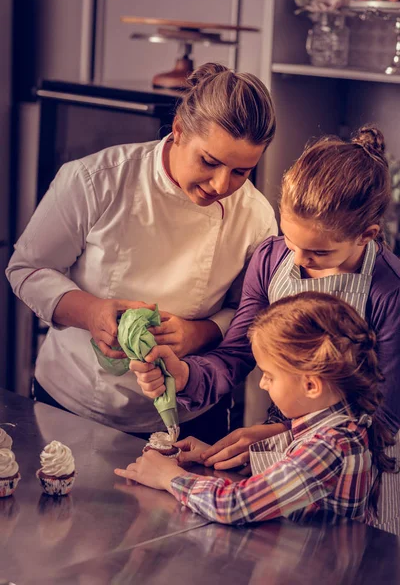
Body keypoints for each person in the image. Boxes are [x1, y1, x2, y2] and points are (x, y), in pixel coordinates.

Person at [132, 125, 400, 533]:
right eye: (290, 240)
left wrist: (280, 434)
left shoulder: (389, 290)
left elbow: (384, 415)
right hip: (295, 441)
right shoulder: (272, 259)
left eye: (319, 252)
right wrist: (185, 373)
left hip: (365, 461)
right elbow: (238, 353)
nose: (298, 259)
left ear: (367, 235)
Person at [5, 62, 277, 442]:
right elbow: (27, 269)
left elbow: (249, 314)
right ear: (179, 129)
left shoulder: (258, 218)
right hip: (73, 405)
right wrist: (92, 313)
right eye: (210, 162)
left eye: (241, 172)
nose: (220, 184)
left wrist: (194, 334)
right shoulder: (95, 179)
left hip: (191, 416)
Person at [115, 292, 397, 526]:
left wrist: (170, 477)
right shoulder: (339, 424)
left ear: (311, 386)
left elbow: (234, 505)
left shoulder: (332, 444)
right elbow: (291, 473)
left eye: (270, 375)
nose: (262, 384)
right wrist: (209, 456)